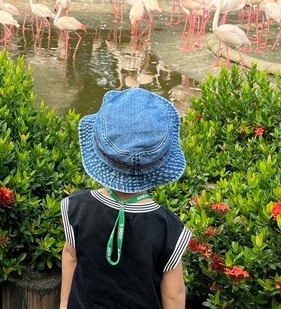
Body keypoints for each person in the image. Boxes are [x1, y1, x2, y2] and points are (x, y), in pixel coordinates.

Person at [60, 88, 192, 309]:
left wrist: (64, 305)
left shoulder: (76, 208)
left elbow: (70, 256)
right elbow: (173, 295)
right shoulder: (169, 229)